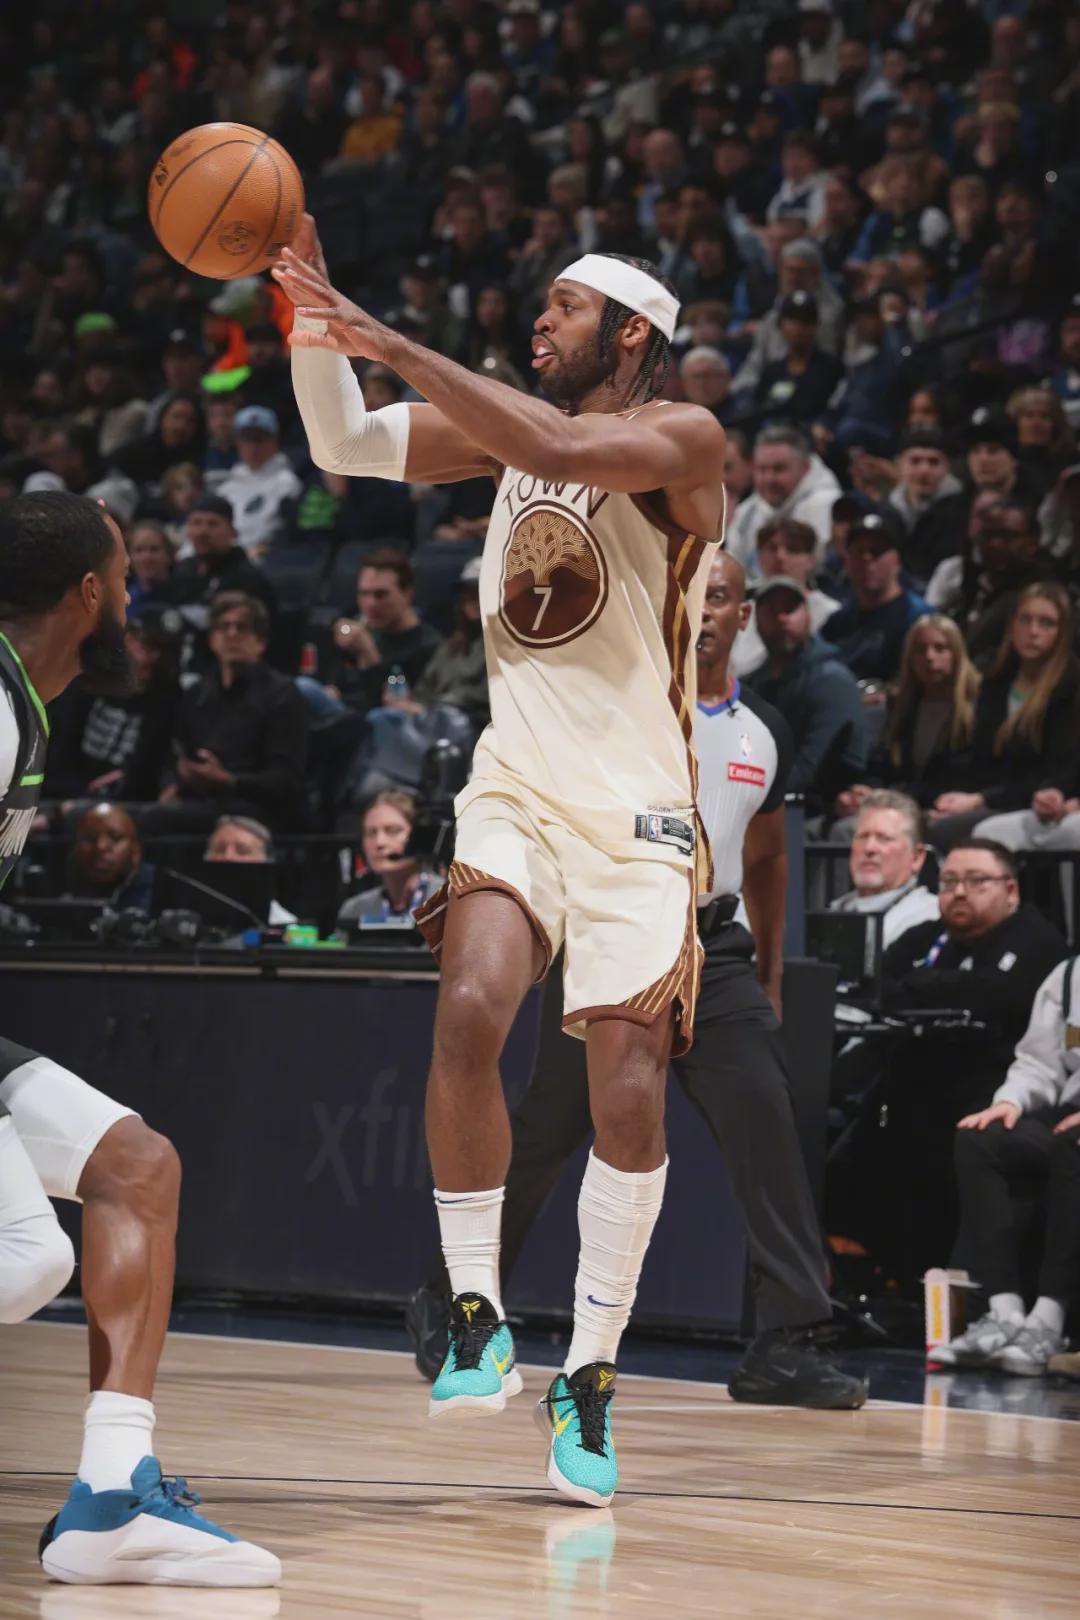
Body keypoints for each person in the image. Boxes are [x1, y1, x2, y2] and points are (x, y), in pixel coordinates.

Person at [278, 214, 726, 1506]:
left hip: (639, 810)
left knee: (625, 1090)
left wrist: (386, 336)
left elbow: (565, 449)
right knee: (470, 1006)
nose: (541, 320)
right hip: (519, 782)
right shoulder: (507, 430)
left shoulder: (683, 437)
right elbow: (344, 443)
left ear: (631, 334)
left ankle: (591, 1370)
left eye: (565, 307)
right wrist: (310, 318)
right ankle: (477, 1315)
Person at [407, 552, 867, 1410]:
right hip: (611, 928)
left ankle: (790, 1339)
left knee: (768, 1120)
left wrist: (769, 970)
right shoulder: (617, 699)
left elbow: (768, 857)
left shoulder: (764, 728)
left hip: (712, 943)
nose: (705, 608)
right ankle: (456, 1299)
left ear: (741, 617)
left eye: (720, 596)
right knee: (550, 1125)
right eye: (694, 591)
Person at [0, 492, 278, 1584]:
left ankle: (111, 1498)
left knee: (137, 1167)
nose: (132, 597)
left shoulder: (25, 702)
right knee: (31, 1256)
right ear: (88, 596)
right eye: (122, 578)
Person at [827, 839, 1068, 1283]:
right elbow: (877, 987)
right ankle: (872, 1272)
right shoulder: (926, 935)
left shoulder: (1038, 940)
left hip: (990, 1083)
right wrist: (951, 987)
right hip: (912, 1078)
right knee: (853, 1112)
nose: (959, 892)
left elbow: (999, 997)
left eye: (976, 882)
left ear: (1010, 890)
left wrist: (925, 985)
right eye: (950, 882)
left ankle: (957, 1282)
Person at [934, 956, 1080, 1376]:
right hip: (1066, 1110)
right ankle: (1004, 1312)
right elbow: (1039, 1063)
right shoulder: (1069, 976)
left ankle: (1049, 1321)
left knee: (1072, 1147)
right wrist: (1010, 1101)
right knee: (980, 1139)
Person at [928, 584, 1079, 850]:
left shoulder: (1071, 688)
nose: (1033, 632)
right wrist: (954, 799)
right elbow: (978, 759)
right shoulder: (996, 681)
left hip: (1037, 804)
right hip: (993, 798)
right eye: (1025, 620)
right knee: (923, 819)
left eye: (1046, 623)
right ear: (1012, 625)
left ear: (1062, 632)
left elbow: (1057, 773)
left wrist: (979, 800)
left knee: (949, 831)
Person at [152, 592, 307, 834]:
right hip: (196, 802)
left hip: (254, 810)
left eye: (241, 628)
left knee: (142, 820)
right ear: (212, 640)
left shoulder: (282, 695)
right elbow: (174, 756)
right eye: (224, 627)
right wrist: (171, 785)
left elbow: (287, 781)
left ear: (261, 642)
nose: (232, 634)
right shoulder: (196, 693)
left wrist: (229, 780)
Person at [837, 616, 982, 819]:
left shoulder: (978, 708)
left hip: (945, 809)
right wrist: (865, 789)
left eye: (940, 648)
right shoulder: (899, 707)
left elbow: (957, 778)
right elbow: (880, 765)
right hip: (899, 805)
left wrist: (886, 796)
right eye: (921, 650)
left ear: (956, 654)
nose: (929, 657)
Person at [746, 575, 868, 808]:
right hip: (762, 801)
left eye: (790, 609)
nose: (781, 619)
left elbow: (807, 772)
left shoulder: (832, 681)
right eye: (771, 610)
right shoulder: (753, 682)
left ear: (808, 615)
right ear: (755, 620)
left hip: (814, 809)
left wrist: (740, 792)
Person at [164, 494, 276, 678]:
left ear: (232, 532)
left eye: (213, 524)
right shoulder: (182, 571)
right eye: (196, 523)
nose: (203, 531)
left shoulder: (248, 579)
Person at [822, 512, 931, 684]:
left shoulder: (918, 619)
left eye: (876, 552)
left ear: (896, 560)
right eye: (859, 551)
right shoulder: (839, 621)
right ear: (847, 561)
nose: (867, 560)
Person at [725, 423, 841, 576]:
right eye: (762, 469)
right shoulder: (746, 512)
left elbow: (820, 571)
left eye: (779, 469)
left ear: (805, 468)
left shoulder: (826, 505)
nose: (769, 479)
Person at [731, 516, 839, 677]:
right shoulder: (742, 612)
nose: (780, 557)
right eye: (771, 548)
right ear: (758, 557)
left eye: (792, 549)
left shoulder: (831, 612)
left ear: (811, 560)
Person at [829, 792, 941, 945]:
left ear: (916, 857)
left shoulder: (931, 918)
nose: (869, 848)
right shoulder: (835, 910)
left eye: (884, 838)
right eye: (862, 836)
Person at [336, 790, 442, 930]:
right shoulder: (355, 910)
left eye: (393, 831)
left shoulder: (451, 902)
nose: (379, 843)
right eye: (371, 833)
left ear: (420, 836)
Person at [216, 406, 301, 558]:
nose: (253, 447)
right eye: (246, 439)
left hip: (266, 557)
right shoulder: (227, 488)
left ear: (274, 441)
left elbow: (281, 531)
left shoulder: (287, 483)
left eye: (260, 439)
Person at [204, 814, 296, 925]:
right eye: (220, 849)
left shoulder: (287, 925)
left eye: (242, 851)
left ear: (266, 860)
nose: (228, 857)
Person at [65, 802, 155, 912]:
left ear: (135, 849)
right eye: (91, 838)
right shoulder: (65, 886)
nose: (100, 846)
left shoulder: (158, 890)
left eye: (115, 838)